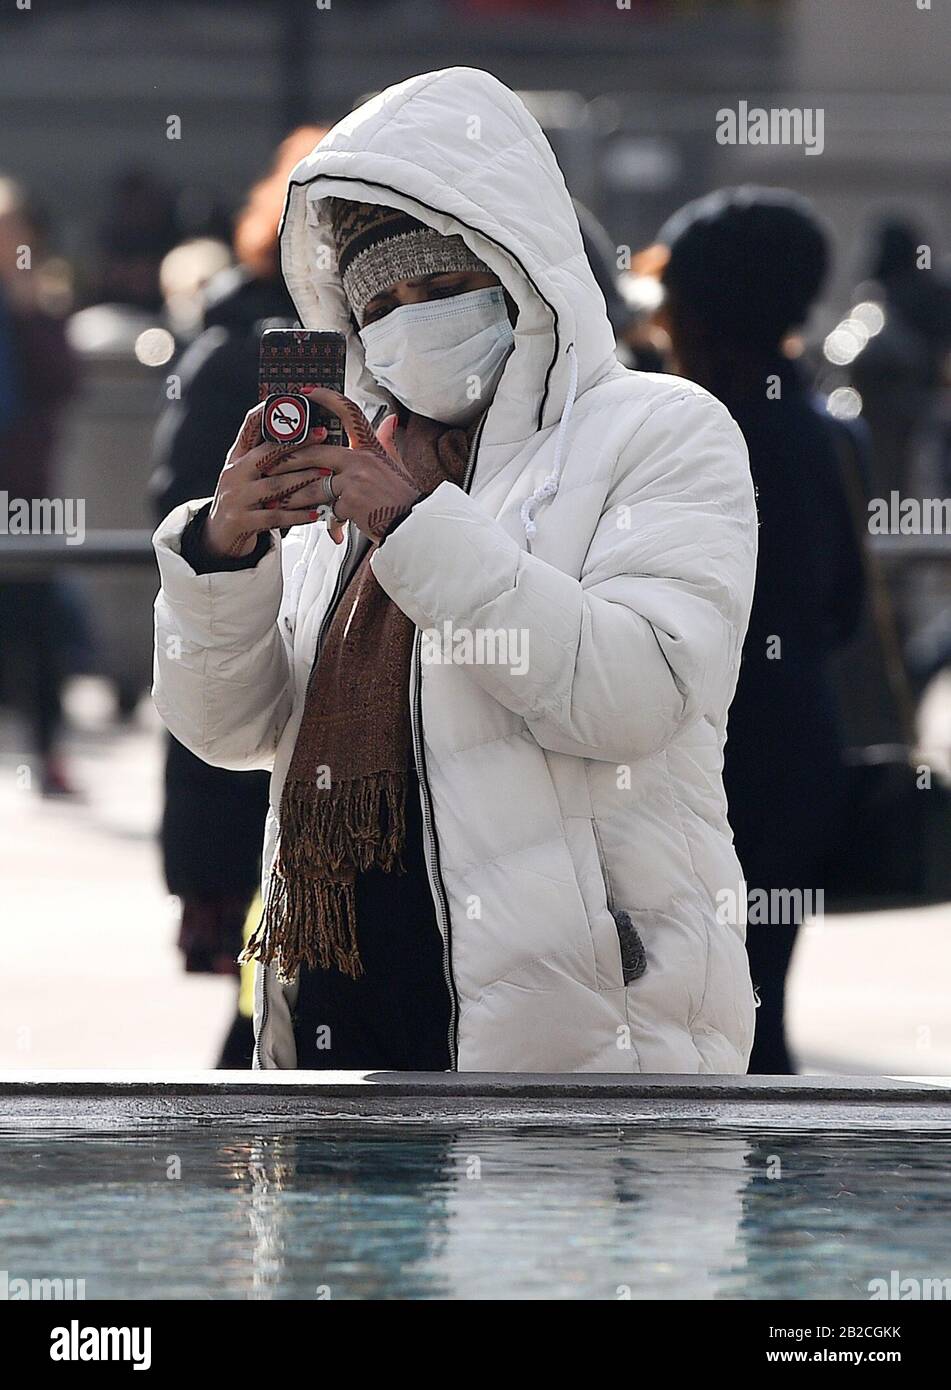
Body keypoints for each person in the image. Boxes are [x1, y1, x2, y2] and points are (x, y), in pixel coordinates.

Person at [152, 67, 758, 1074]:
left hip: (577, 1028)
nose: (409, 319)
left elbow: (636, 696)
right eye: (379, 301)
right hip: (338, 1002)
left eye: (440, 287)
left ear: (518, 272)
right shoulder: (355, 453)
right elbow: (234, 730)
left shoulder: (657, 430)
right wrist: (228, 556)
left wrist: (416, 525)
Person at [652, 187, 865, 1073]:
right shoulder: (817, 426)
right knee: (753, 1015)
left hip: (709, 761)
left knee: (689, 1025)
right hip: (799, 753)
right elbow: (842, 607)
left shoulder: (691, 433)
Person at [149, 128, 326, 1068]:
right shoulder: (247, 352)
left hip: (278, 716)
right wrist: (237, 527)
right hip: (255, 704)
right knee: (268, 986)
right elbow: (175, 514)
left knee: (273, 994)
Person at [0, 179, 81, 796]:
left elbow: (62, 379)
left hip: (24, 491)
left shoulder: (36, 303)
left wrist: (29, 309)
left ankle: (48, 750)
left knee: (37, 621)